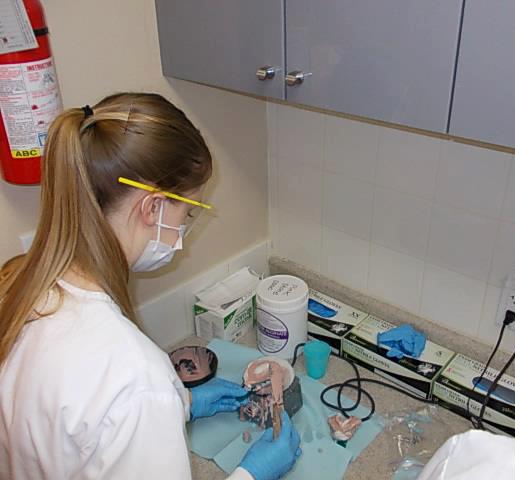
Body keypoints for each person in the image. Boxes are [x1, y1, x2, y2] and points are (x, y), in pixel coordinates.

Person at [0, 93, 301, 480]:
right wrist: (252, 474)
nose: (183, 234)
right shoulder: (135, 378)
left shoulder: (20, 282)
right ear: (152, 208)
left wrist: (184, 401)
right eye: (187, 214)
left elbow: (67, 432)